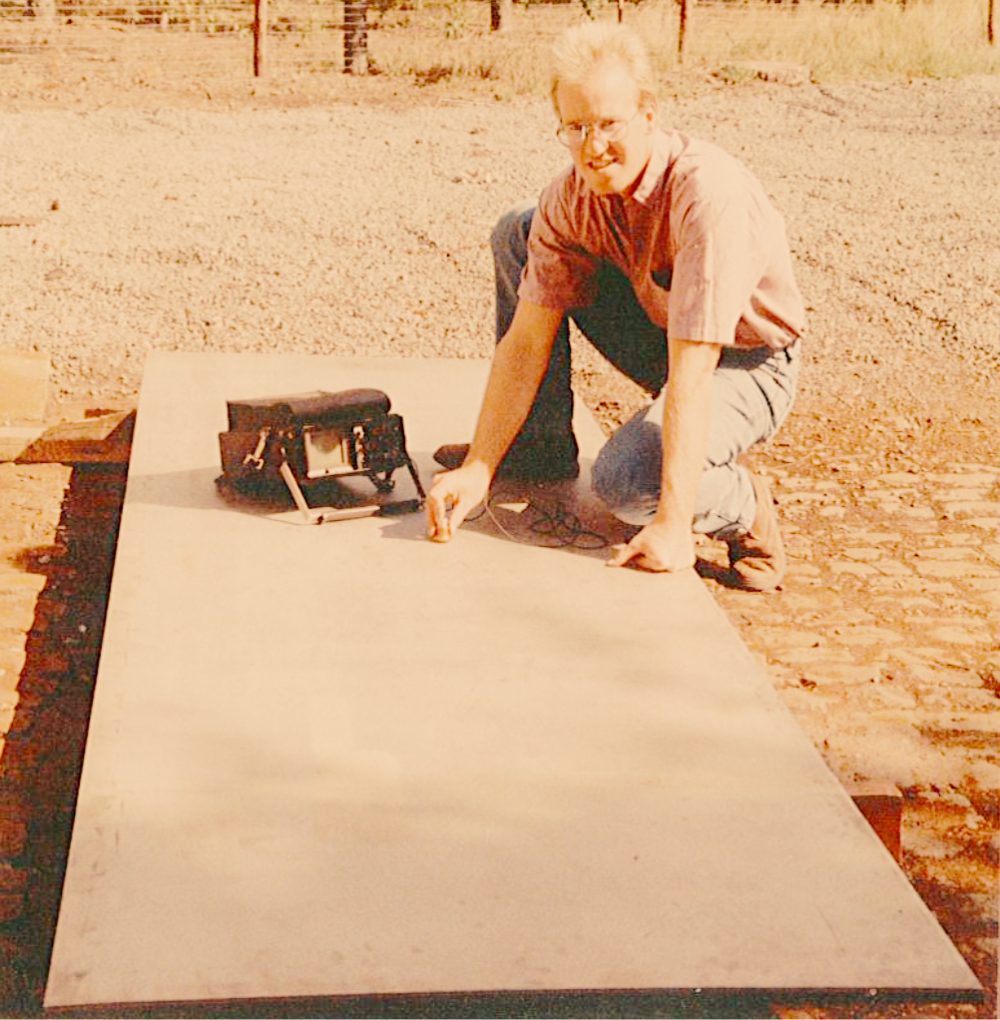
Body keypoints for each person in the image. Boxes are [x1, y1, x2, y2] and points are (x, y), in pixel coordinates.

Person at [425, 20, 805, 592]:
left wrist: (674, 525)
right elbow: (527, 340)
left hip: (743, 360)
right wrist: (480, 465)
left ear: (649, 116)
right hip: (662, 331)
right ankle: (537, 442)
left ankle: (744, 508)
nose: (593, 146)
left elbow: (695, 371)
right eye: (575, 127)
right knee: (520, 230)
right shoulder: (569, 196)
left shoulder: (707, 196)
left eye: (608, 123)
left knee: (627, 482)